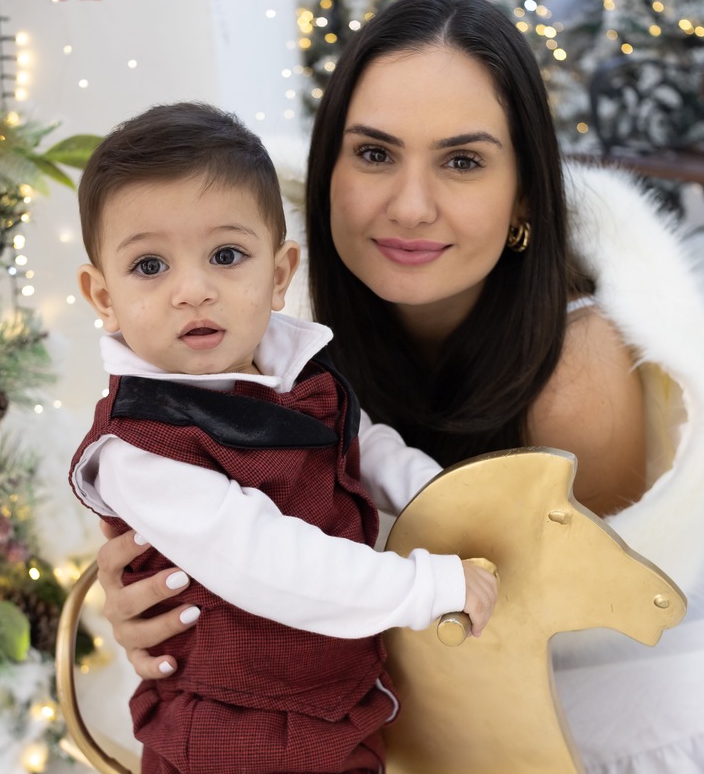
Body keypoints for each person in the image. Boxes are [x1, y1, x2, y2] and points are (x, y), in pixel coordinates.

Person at [94, 0, 704, 774]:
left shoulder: (576, 370)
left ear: (522, 194)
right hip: (359, 636)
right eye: (375, 153)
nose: (410, 206)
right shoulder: (247, 296)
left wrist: (287, 613)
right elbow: (198, 495)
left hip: (530, 649)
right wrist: (154, 605)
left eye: (462, 161)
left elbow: (566, 643)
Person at [69, 101, 497, 774]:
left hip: (336, 701)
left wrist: (449, 496)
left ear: (277, 275)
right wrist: (423, 587)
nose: (193, 290)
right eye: (150, 266)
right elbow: (266, 560)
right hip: (233, 731)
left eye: (226, 255)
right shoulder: (140, 449)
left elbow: (365, 447)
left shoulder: (292, 372)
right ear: (103, 296)